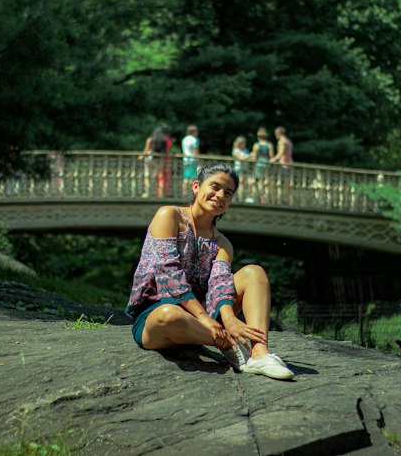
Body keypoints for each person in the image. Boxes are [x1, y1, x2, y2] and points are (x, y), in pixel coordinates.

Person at [126, 162, 294, 380]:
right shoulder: (169, 216)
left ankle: (259, 354)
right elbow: (169, 276)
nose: (220, 195)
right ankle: (225, 342)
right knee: (169, 315)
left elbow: (220, 282)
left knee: (254, 273)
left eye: (228, 193)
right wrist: (205, 319)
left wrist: (229, 318)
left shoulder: (223, 243)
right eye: (214, 187)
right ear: (196, 186)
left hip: (205, 315)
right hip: (159, 315)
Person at [140, 126, 171, 198]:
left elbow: (146, 150)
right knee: (160, 176)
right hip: (159, 159)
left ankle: (147, 193)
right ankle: (161, 193)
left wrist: (141, 156)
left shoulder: (151, 139)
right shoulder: (164, 140)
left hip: (150, 159)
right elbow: (165, 152)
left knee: (148, 176)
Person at [251, 127, 274, 203]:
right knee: (266, 182)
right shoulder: (269, 145)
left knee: (260, 182)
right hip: (267, 164)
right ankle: (266, 198)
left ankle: (261, 197)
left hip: (259, 164)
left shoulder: (256, 145)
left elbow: (254, 158)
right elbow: (271, 156)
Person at [272, 125, 294, 201]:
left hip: (283, 164)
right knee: (287, 182)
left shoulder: (282, 141)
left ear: (279, 133)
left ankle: (280, 199)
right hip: (289, 163)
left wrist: (273, 160)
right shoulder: (288, 141)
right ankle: (288, 198)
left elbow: (280, 154)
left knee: (280, 182)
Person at [231, 135, 253, 200]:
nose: (244, 144)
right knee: (240, 184)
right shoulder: (236, 150)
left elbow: (248, 159)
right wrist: (249, 156)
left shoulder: (246, 150)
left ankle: (246, 197)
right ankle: (240, 198)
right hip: (238, 169)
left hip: (245, 169)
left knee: (248, 183)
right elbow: (241, 158)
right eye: (243, 143)